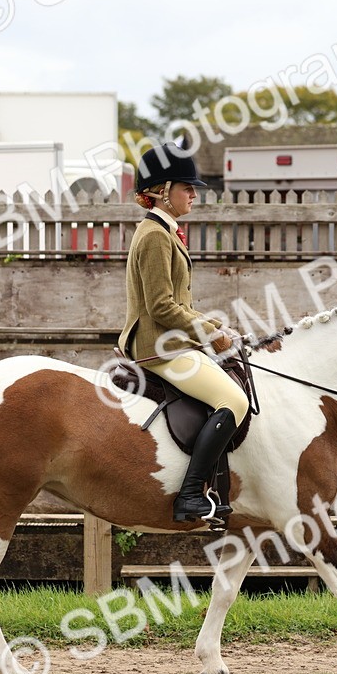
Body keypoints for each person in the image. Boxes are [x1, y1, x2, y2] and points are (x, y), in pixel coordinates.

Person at [119, 142, 249, 525]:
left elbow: (181, 304)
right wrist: (212, 335)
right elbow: (160, 306)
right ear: (162, 191)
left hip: (173, 341)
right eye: (186, 187)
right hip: (161, 348)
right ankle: (190, 495)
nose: (194, 194)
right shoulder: (155, 235)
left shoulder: (162, 231)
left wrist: (218, 329)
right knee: (234, 401)